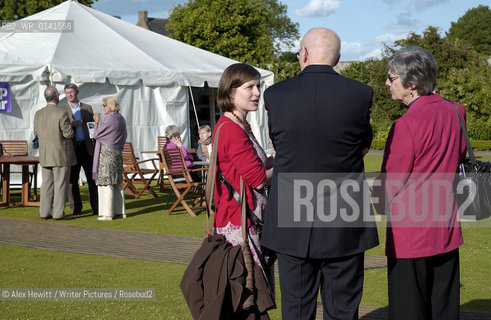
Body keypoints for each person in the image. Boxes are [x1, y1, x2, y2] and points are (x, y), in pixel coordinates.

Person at [262, 27, 379, 320]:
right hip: (344, 216)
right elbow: (362, 146)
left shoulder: (276, 95)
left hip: (292, 215)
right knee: (343, 310)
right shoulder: (360, 93)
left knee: (297, 311)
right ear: (337, 59)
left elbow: (278, 144)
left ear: (303, 53)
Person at [372, 46, 466, 320]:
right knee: (444, 306)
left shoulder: (406, 124)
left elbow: (391, 182)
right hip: (446, 224)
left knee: (408, 308)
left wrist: (378, 203)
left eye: (392, 78)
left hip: (411, 232)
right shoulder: (456, 110)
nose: (387, 83)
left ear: (411, 84)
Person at [213, 62, 274, 288]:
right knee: (250, 292)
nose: (257, 93)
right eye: (250, 87)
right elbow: (257, 178)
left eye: (258, 86)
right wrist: (287, 165)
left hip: (245, 218)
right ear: (230, 91)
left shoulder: (239, 124)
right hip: (241, 221)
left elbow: (255, 164)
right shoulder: (231, 129)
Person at [34, 87, 76, 220]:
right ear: (56, 97)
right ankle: (58, 214)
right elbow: (68, 133)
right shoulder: (61, 113)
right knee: (60, 184)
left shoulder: (38, 113)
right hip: (60, 154)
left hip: (45, 154)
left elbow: (36, 133)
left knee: (46, 185)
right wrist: (72, 126)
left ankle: (44, 213)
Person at [61, 83, 98, 216]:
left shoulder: (87, 108)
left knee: (92, 179)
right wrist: (72, 125)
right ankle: (76, 208)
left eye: (71, 92)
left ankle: (96, 206)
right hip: (72, 148)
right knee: (72, 180)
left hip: (87, 147)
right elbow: (61, 129)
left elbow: (93, 128)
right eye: (67, 93)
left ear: (77, 92)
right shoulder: (62, 109)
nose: (69, 95)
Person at [92, 97, 127, 221]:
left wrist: (96, 122)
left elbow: (96, 134)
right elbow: (124, 136)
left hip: (107, 153)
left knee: (106, 183)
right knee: (117, 182)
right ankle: (120, 211)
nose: (103, 107)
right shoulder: (121, 118)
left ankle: (108, 214)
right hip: (117, 152)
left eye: (104, 105)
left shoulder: (109, 119)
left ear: (109, 106)